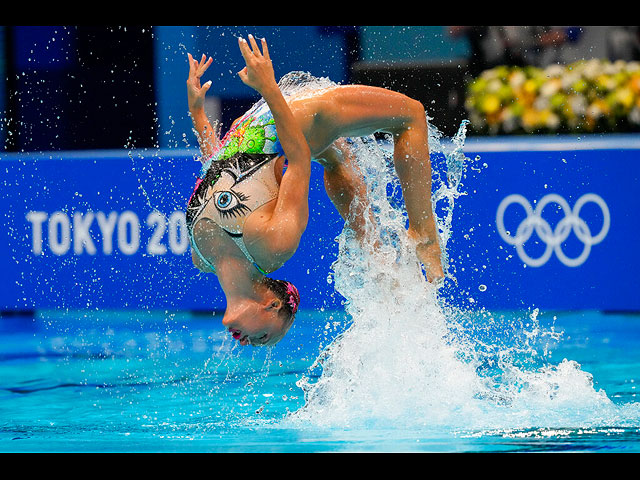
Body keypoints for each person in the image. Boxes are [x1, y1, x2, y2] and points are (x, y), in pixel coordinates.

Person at [186, 35, 443, 347]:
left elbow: (213, 172)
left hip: (262, 122)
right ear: (272, 305)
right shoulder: (274, 246)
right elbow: (298, 160)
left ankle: (398, 244)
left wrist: (199, 113)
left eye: (261, 340)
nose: (246, 342)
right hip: (291, 122)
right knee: (405, 118)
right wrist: (267, 89)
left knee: (364, 141)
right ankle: (402, 243)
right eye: (263, 338)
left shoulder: (203, 259)